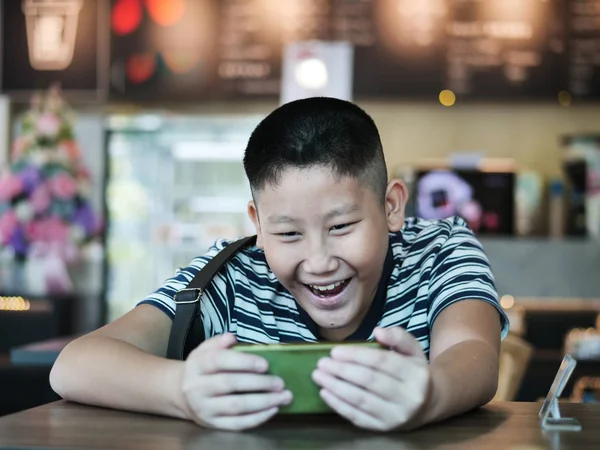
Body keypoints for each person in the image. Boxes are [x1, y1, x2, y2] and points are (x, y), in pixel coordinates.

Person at [50, 97, 508, 432]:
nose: (319, 261)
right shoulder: (230, 274)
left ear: (391, 206)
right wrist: (180, 389)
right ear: (258, 225)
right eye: (288, 233)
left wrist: (430, 395)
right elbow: (73, 365)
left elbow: (474, 354)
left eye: (342, 226)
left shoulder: (440, 250)